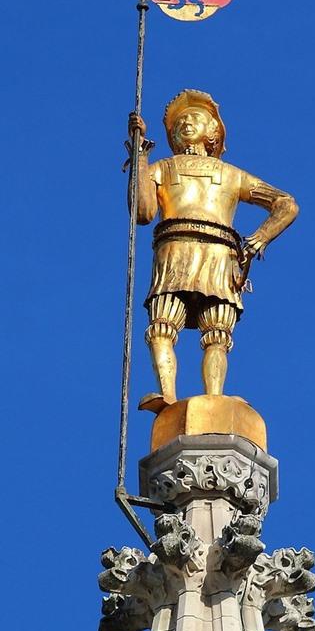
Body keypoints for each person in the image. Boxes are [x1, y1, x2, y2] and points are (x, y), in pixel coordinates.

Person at [129, 89, 298, 411]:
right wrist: (140, 158)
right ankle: (167, 394)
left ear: (213, 133)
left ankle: (215, 398)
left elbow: (285, 203)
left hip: (219, 253)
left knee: (217, 331)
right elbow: (144, 213)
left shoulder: (231, 174)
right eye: (180, 121)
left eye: (196, 118)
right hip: (174, 248)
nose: (186, 123)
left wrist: (259, 239)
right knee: (162, 325)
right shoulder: (163, 168)